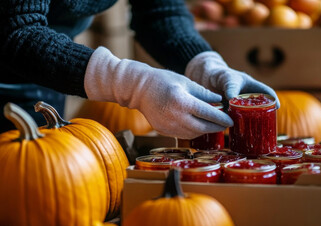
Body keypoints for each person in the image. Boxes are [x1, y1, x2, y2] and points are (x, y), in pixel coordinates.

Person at [0, 0, 279, 138]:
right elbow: (15, 30)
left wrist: (205, 64)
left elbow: (160, 11)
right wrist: (132, 83)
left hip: (44, 70)